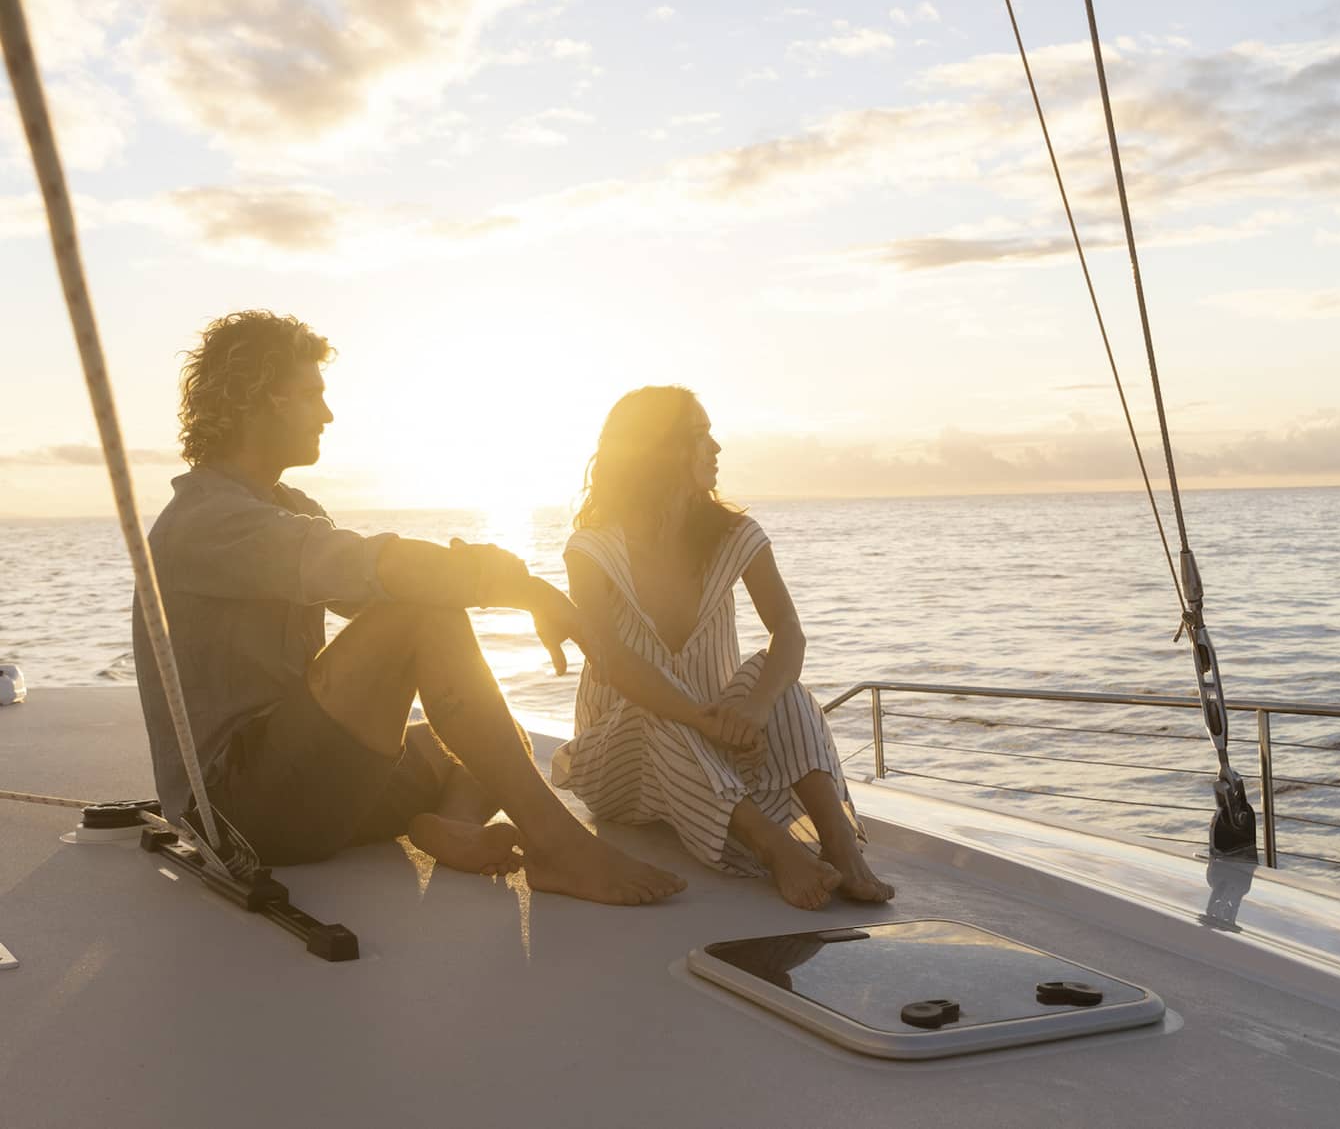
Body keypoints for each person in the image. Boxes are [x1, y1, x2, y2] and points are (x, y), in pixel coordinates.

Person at [131, 310, 684, 905]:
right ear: (260, 400)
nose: (327, 413)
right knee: (422, 611)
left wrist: (471, 576)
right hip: (239, 811)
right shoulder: (205, 522)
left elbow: (366, 585)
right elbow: (386, 572)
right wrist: (526, 590)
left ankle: (456, 826)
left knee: (500, 740)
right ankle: (557, 847)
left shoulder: (286, 506)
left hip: (309, 787)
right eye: (313, 393)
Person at [551, 387, 894, 910]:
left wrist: (752, 710)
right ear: (657, 450)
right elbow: (613, 662)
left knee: (776, 678)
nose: (715, 448)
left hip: (719, 750)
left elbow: (789, 631)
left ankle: (841, 844)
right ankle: (777, 849)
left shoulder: (734, 533)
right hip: (618, 763)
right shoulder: (593, 549)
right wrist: (700, 718)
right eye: (699, 436)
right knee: (653, 704)